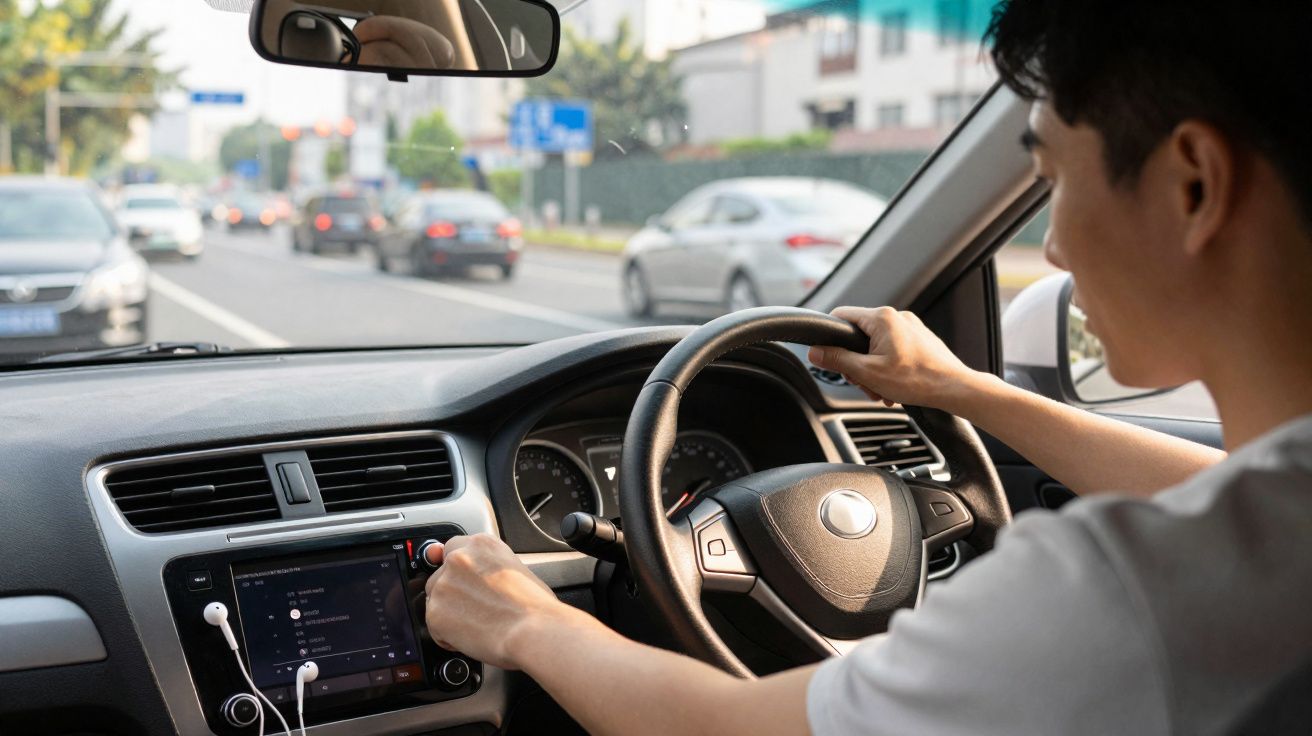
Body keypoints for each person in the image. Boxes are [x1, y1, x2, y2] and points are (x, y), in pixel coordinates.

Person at [420, 0, 1312, 733]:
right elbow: (1229, 487)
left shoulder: (1120, 595)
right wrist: (958, 389)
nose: (1060, 248)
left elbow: (728, 727)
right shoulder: (1266, 528)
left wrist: (527, 620)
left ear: (1192, 184)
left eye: (1052, 181)